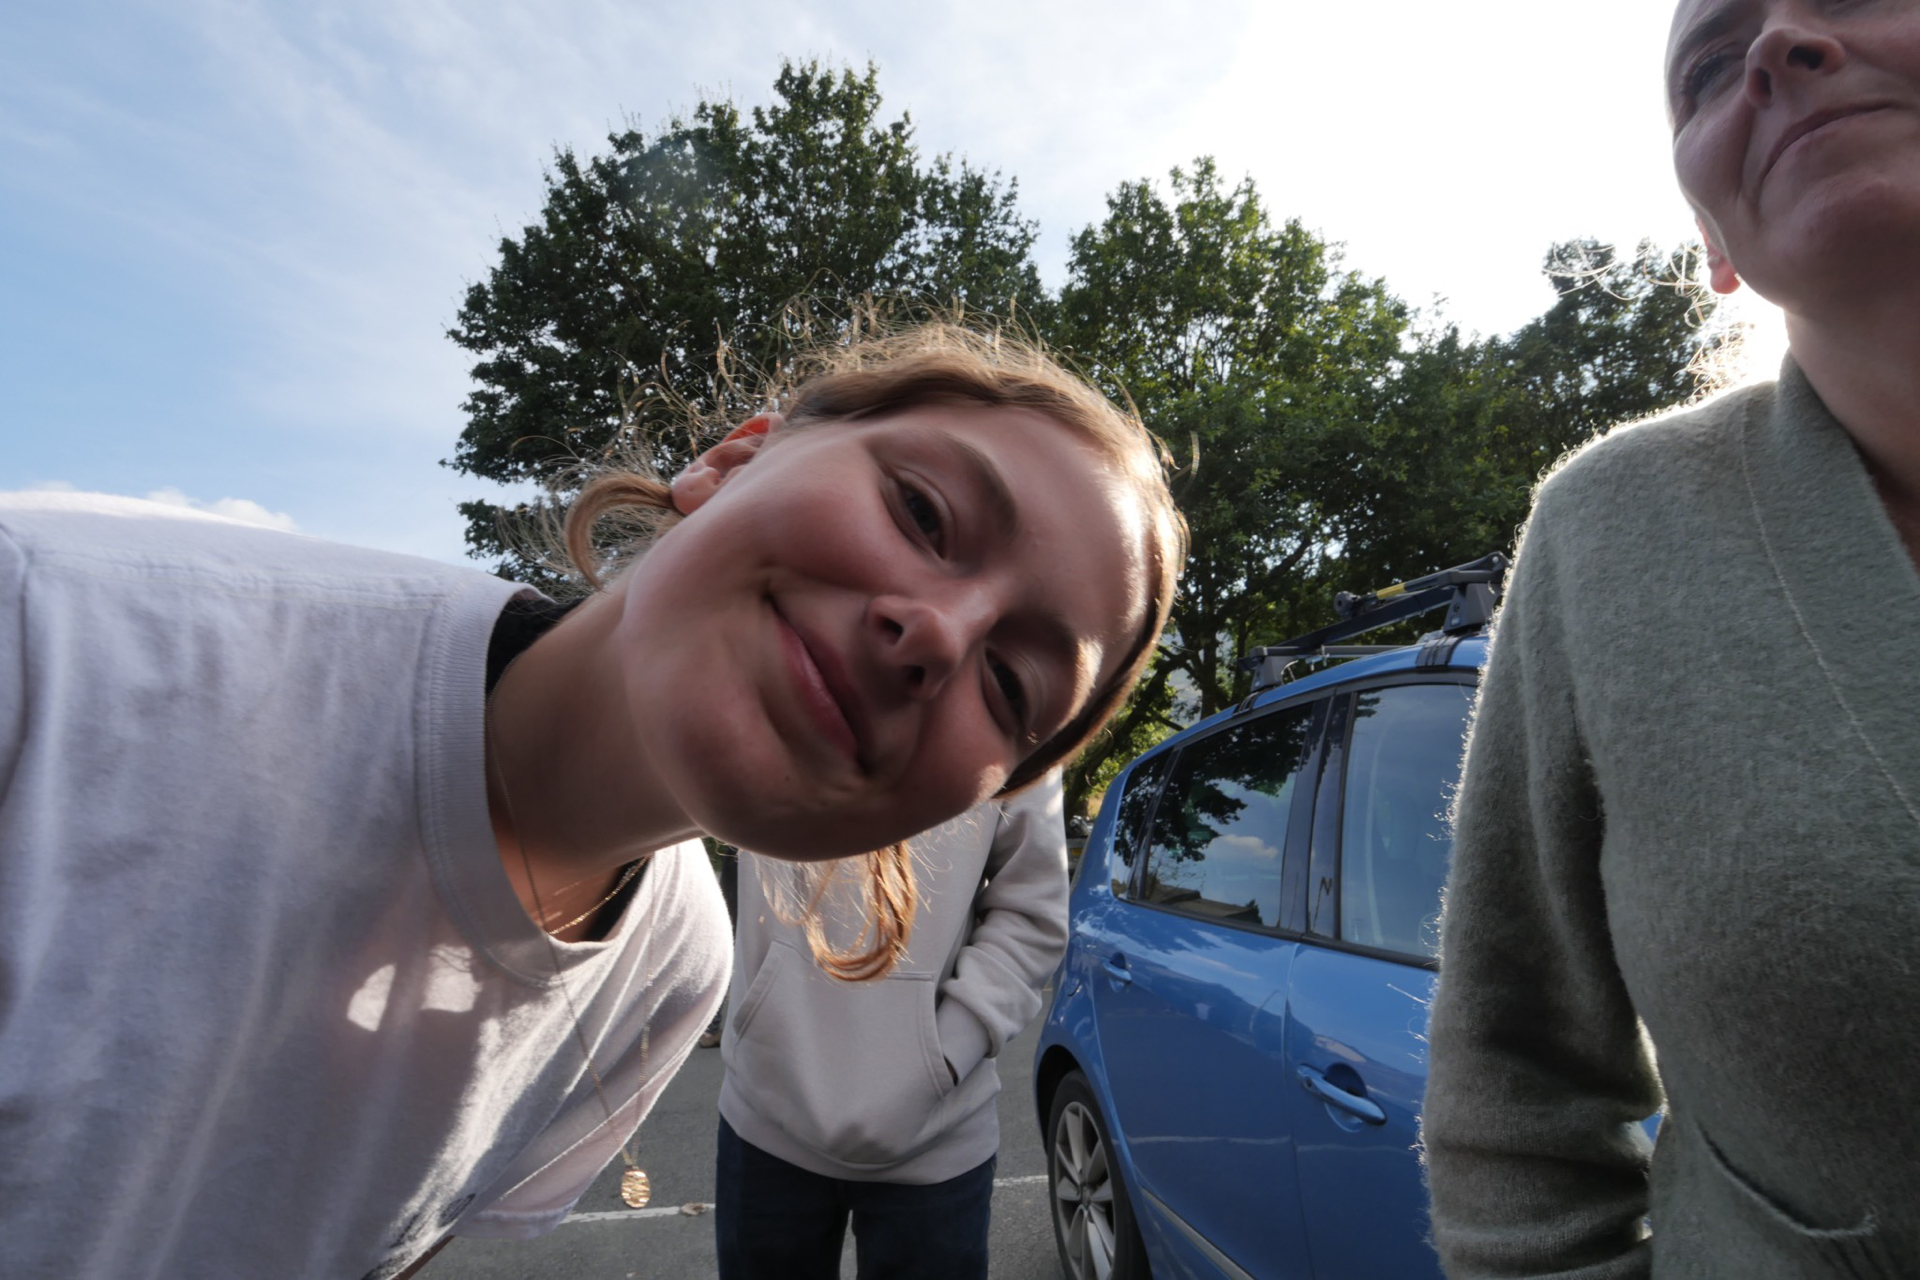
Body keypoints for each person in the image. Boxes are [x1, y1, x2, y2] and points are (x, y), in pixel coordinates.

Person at [0, 323, 1187, 1280]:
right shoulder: (50, 644)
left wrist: (939, 1051)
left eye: (1011, 685)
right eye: (922, 510)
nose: (936, 633)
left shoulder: (669, 972)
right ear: (735, 459)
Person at [1422, 3, 1920, 1276]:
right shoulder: (1608, 530)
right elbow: (1512, 1078)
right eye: (1706, 68)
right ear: (1714, 241)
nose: (1779, 45)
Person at [712, 773, 1070, 1280]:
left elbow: (1031, 912)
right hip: (765, 1119)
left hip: (938, 1140)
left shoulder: (1019, 726)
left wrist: (946, 1058)